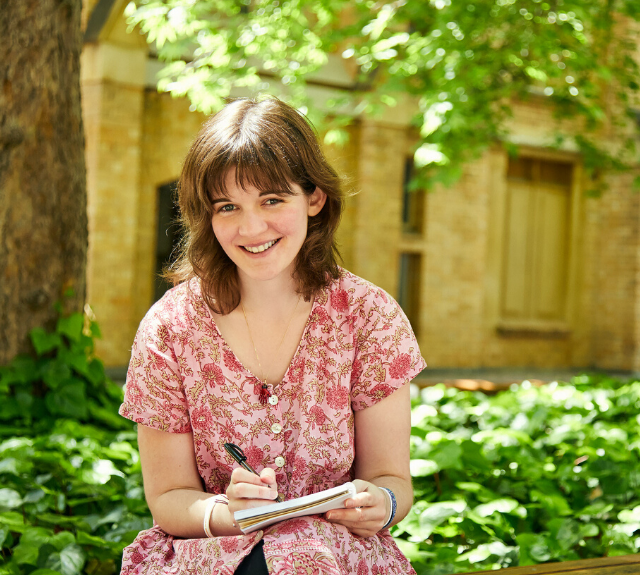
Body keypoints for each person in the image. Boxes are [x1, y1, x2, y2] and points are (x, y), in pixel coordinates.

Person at [118, 97, 425, 575]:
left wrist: (380, 504)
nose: (251, 227)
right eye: (227, 206)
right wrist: (225, 512)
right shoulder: (169, 328)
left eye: (272, 200)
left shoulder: (370, 317)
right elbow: (168, 499)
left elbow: (392, 481)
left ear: (315, 198)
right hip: (213, 556)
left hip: (337, 557)